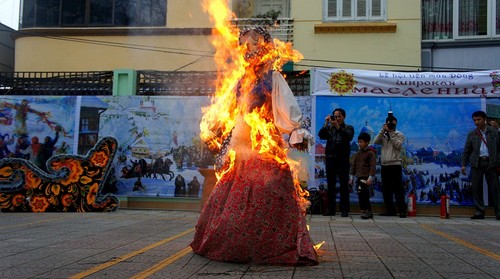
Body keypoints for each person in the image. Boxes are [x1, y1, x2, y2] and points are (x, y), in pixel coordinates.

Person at [190, 26, 318, 265]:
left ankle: (274, 245)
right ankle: (235, 244)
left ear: (266, 46)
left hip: (265, 142)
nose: (250, 48)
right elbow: (228, 109)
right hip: (242, 144)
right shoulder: (239, 80)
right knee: (234, 193)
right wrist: (215, 128)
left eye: (256, 43)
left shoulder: (273, 77)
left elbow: (285, 105)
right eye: (246, 44)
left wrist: (294, 131)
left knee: (273, 188)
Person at [461, 111, 500, 220]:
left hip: (491, 163)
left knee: (495, 188)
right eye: (474, 120)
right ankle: (479, 212)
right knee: (477, 188)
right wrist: (463, 164)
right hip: (476, 163)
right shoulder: (472, 134)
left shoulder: (494, 132)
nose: (476, 122)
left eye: (478, 120)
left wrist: (497, 160)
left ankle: (498, 212)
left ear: (484, 119)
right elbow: (467, 151)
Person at [317, 108, 354, 217]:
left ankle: (344, 209)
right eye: (335, 116)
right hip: (330, 159)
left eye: (339, 116)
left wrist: (337, 126)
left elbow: (347, 137)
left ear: (344, 117)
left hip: (342, 160)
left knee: (343, 185)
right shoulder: (330, 128)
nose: (337, 119)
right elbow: (321, 135)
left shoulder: (348, 128)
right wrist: (326, 123)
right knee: (331, 186)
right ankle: (331, 209)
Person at [373, 112, 406, 218]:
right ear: (386, 124)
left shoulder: (399, 134)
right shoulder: (383, 134)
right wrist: (383, 130)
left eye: (393, 124)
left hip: (395, 164)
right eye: (389, 124)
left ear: (396, 124)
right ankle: (390, 210)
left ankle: (402, 211)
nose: (391, 126)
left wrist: (391, 133)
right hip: (384, 165)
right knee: (386, 190)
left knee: (398, 189)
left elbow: (398, 145)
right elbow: (375, 141)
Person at [349, 132, 377, 219]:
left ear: (367, 142)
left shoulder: (370, 153)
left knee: (365, 196)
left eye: (361, 142)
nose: (359, 144)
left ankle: (368, 211)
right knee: (360, 195)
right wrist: (351, 177)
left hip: (365, 179)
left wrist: (370, 178)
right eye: (359, 142)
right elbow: (354, 166)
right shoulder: (358, 153)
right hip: (359, 178)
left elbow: (373, 167)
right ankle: (363, 211)